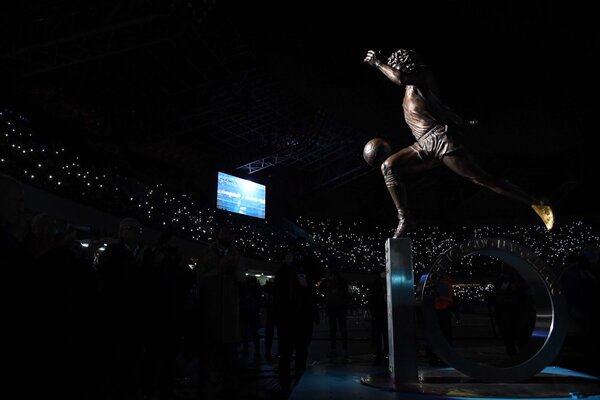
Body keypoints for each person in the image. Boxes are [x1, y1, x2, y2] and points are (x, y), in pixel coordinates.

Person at [363, 48, 554, 237]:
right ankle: (405, 219)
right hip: (423, 145)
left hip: (441, 140)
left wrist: (378, 64)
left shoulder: (423, 76)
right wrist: (462, 122)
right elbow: (443, 109)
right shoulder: (409, 94)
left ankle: (536, 202)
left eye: (395, 67)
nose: (393, 70)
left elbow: (400, 78)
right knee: (389, 167)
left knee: (483, 180)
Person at [318, 268, 349, 360]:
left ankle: (336, 349)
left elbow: (320, 288)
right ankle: (343, 350)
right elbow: (320, 288)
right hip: (338, 307)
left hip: (334, 307)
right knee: (340, 329)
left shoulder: (332, 282)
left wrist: (325, 279)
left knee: (334, 329)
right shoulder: (341, 281)